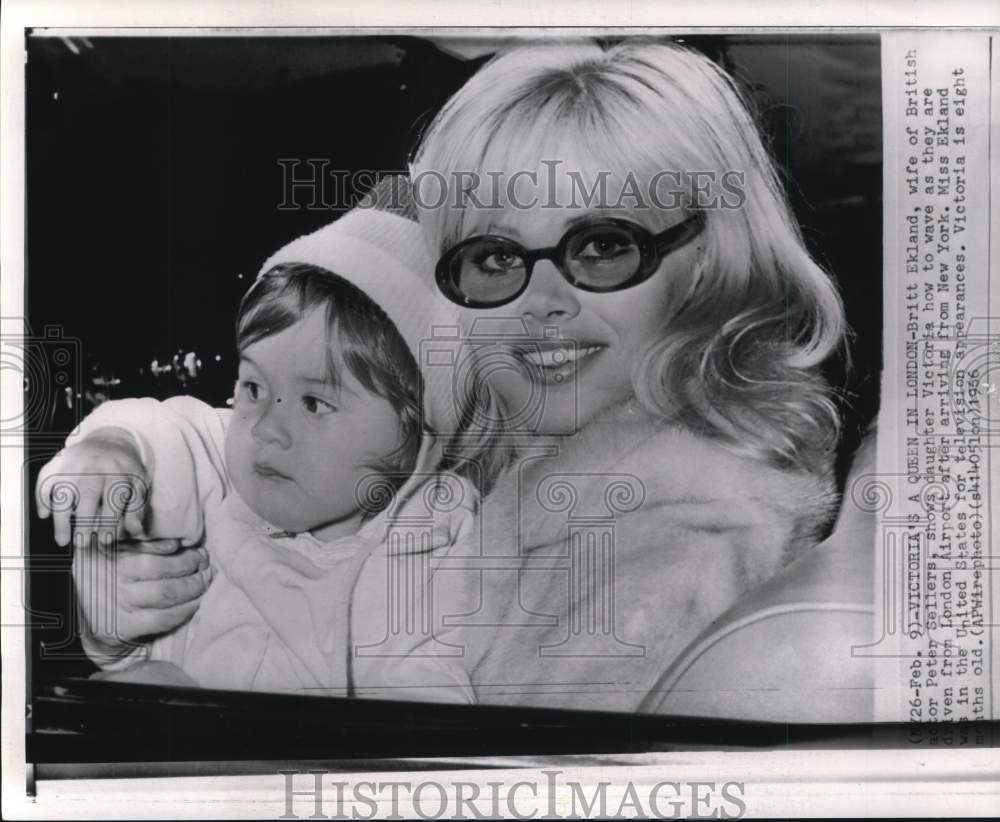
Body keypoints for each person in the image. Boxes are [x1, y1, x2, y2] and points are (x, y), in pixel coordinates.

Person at [65, 38, 875, 718]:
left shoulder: (674, 539)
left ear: (709, 262)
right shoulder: (511, 443)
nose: (541, 301)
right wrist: (136, 597)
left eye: (601, 246)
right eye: (495, 256)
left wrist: (175, 701)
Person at [37, 203, 493, 702]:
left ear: (419, 437)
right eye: (254, 387)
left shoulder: (429, 547)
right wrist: (110, 449)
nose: (266, 427)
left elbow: (425, 718)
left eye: (314, 403)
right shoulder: (236, 474)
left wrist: (204, 723)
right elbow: (167, 429)